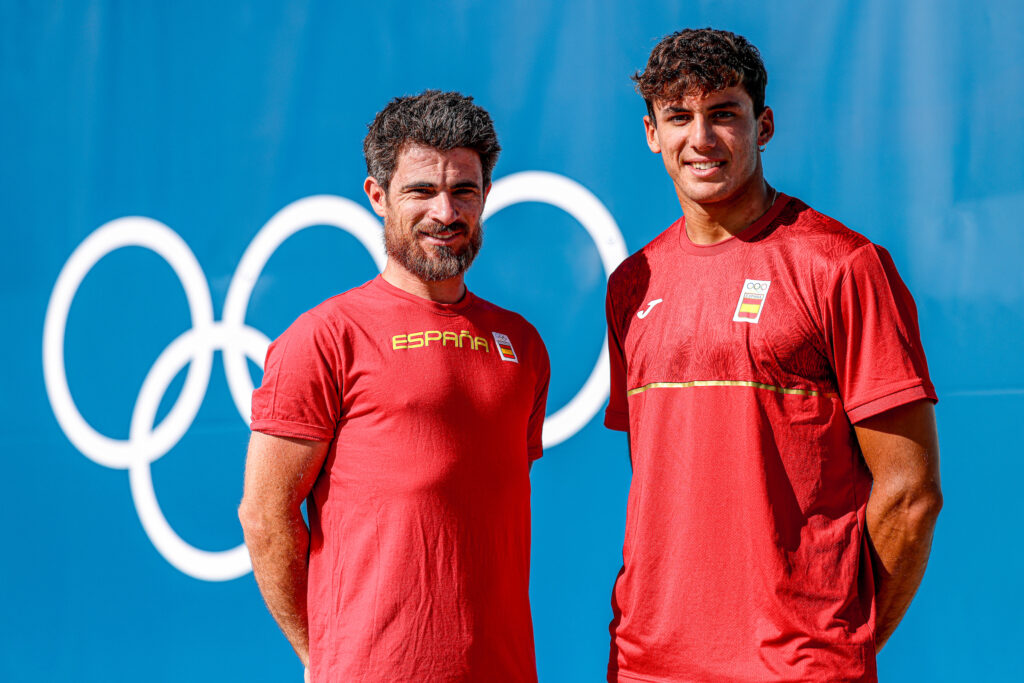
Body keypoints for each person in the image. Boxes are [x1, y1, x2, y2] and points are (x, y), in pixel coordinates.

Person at [604, 29, 942, 682]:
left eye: (723, 113)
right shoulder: (632, 283)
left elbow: (910, 493)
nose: (700, 139)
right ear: (652, 133)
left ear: (764, 125)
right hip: (646, 665)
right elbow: (660, 478)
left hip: (798, 668)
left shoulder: (843, 265)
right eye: (679, 117)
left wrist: (840, 643)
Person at [238, 90, 549, 683]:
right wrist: (322, 656)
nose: (445, 212)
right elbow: (265, 516)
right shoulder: (325, 337)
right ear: (377, 197)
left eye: (464, 190)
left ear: (485, 197)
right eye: (421, 191)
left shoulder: (523, 345)